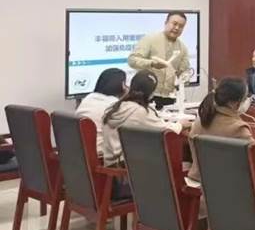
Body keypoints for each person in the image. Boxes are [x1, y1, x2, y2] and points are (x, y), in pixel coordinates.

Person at [102, 70, 187, 198]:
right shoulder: (140, 112)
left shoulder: (114, 107)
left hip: (111, 175)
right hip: (127, 177)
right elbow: (167, 131)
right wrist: (181, 124)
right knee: (176, 165)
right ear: (151, 94)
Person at [186, 77, 255, 183]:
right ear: (236, 104)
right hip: (229, 188)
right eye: (245, 98)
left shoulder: (199, 121)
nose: (248, 101)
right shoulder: (238, 129)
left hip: (200, 185)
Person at [128, 11, 191, 109]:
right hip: (145, 95)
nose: (177, 28)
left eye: (181, 26)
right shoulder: (150, 39)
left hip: (169, 98)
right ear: (166, 23)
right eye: (174, 24)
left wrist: (183, 76)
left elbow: (184, 71)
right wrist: (152, 64)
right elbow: (132, 60)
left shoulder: (183, 48)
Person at [76, 68, 128, 154]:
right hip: (99, 154)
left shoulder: (88, 98)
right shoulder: (115, 105)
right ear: (123, 85)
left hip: (80, 152)